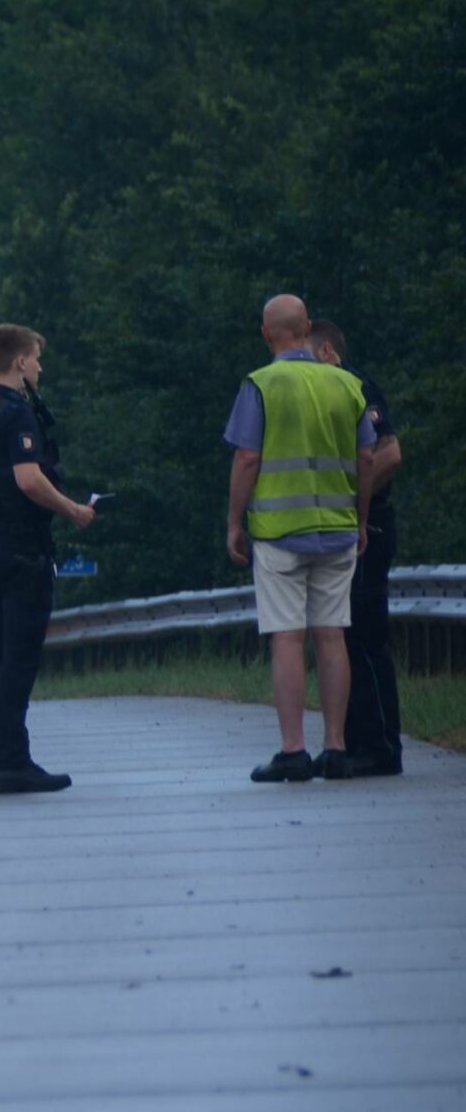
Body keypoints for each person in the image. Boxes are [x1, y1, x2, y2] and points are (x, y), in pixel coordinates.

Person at [225, 296, 377, 782]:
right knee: (332, 635)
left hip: (278, 534)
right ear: (308, 328)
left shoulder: (261, 384)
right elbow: (368, 459)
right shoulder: (348, 384)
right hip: (336, 529)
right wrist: (359, 519)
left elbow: (247, 458)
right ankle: (335, 747)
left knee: (287, 639)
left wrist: (234, 523)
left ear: (267, 334)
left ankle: (293, 750)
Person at [0, 323, 95, 794]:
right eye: (36, 358)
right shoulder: (17, 413)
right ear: (20, 362)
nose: (40, 366)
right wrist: (74, 509)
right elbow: (29, 480)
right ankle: (14, 761)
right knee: (17, 658)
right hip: (20, 550)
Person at [310, 319, 403, 774]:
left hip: (368, 529)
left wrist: (351, 503)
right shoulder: (324, 392)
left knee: (364, 638)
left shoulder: (357, 387)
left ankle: (381, 747)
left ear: (327, 350)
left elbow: (388, 453)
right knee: (342, 635)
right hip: (344, 528)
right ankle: (351, 742)